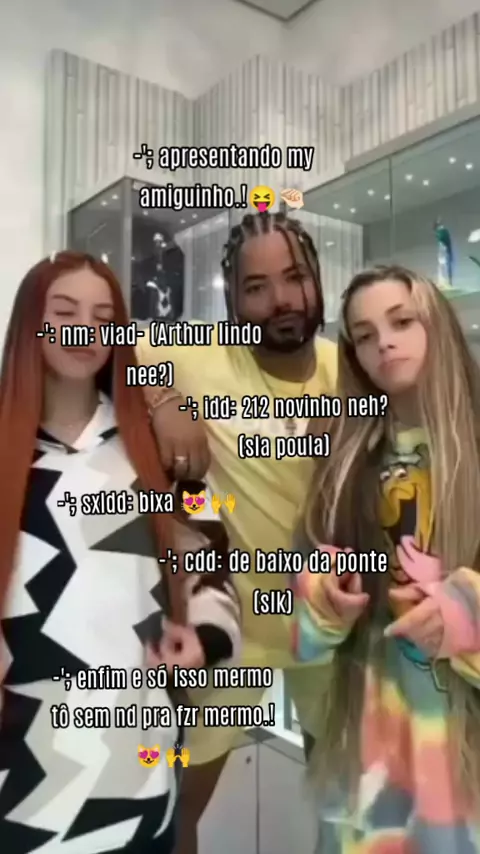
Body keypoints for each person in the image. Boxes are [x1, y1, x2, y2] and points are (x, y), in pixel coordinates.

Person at [0, 251, 241, 853]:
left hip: (137, 769)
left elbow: (214, 571)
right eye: (65, 312)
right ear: (32, 323)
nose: (85, 329)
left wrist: (203, 640)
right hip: (20, 777)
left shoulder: (161, 453)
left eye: (103, 318)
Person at [137, 210, 338, 853]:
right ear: (233, 300)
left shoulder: (350, 370)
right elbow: (119, 347)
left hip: (331, 629)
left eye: (294, 277)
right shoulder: (203, 358)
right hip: (236, 637)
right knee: (178, 814)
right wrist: (165, 401)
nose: (280, 299)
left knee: (347, 811)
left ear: (317, 281)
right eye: (256, 287)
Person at [294, 264, 480, 853]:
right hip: (370, 736)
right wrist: (325, 602)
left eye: (401, 322)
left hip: (463, 748)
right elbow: (306, 618)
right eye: (364, 335)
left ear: (436, 322)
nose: (385, 344)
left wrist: (461, 615)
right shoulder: (343, 453)